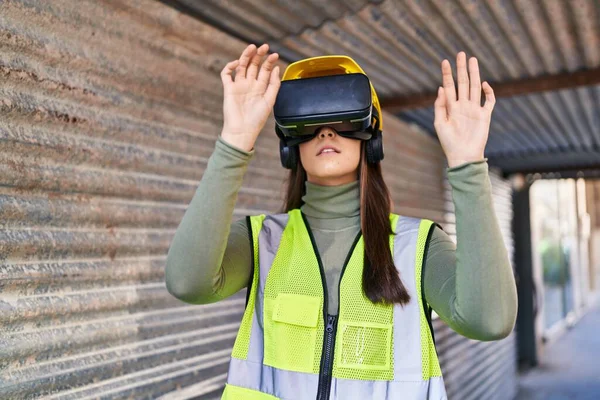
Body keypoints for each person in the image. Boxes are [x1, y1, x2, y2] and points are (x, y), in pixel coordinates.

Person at [165, 43, 518, 400]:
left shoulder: (417, 246)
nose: (326, 131)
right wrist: (235, 142)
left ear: (372, 139)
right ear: (290, 147)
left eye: (343, 118)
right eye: (310, 122)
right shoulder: (262, 241)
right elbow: (187, 282)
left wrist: (467, 164)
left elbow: (490, 321)